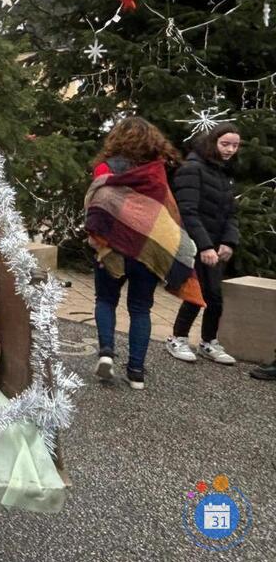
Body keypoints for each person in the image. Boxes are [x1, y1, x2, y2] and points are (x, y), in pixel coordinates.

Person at [84, 117, 203, 391]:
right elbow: (165, 215)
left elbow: (98, 205)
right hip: (147, 252)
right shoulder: (156, 172)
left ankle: (106, 353)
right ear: (153, 141)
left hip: (112, 247)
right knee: (140, 309)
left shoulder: (104, 168)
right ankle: (136, 372)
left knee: (105, 299)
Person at [166, 122, 241, 365]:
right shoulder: (193, 168)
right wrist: (205, 246)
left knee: (215, 296)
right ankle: (177, 337)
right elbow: (187, 211)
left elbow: (231, 212)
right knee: (196, 293)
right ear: (213, 142)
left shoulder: (224, 173)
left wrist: (229, 241)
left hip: (217, 245)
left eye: (235, 145)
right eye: (225, 144)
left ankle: (209, 341)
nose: (230, 150)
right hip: (196, 243)